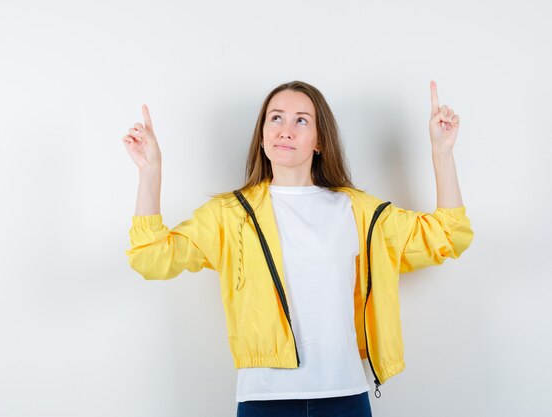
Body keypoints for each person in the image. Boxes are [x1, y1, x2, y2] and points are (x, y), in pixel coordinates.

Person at [122, 80, 474, 417]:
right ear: (262, 136)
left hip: (344, 398)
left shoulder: (358, 212)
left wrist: (442, 152)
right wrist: (150, 172)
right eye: (275, 118)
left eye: (301, 120)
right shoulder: (230, 216)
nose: (285, 129)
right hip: (264, 400)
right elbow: (151, 257)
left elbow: (447, 235)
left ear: (320, 141)